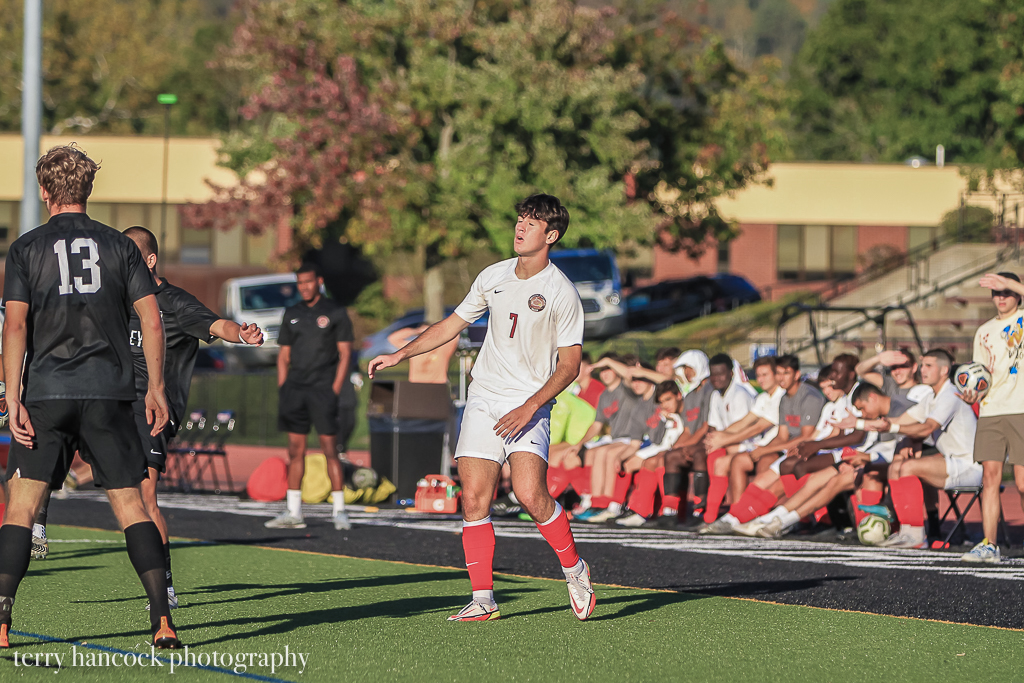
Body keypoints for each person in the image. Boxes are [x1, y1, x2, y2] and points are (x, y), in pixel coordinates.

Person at [368, 194, 594, 622]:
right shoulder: (493, 275)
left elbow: (570, 366)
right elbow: (452, 325)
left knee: (530, 495)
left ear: (552, 235)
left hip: (530, 404)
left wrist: (530, 407)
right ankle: (483, 597)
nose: (521, 226)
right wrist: (400, 355)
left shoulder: (561, 292)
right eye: (521, 218)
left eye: (532, 222)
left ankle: (575, 569)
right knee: (474, 499)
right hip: (484, 399)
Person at [0, 145, 180, 649]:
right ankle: (162, 620)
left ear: (43, 191)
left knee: (21, 508)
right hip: (108, 392)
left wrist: (12, 396)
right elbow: (151, 317)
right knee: (131, 507)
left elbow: (14, 324)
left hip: (47, 393)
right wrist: (158, 387)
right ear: (89, 190)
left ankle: (2, 623)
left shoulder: (25, 248)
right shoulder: (120, 247)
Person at [43, 227, 262, 607]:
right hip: (111, 403)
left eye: (128, 255)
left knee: (145, 498)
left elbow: (215, 324)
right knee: (58, 431)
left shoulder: (172, 302)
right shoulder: (112, 300)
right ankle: (37, 518)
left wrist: (240, 334)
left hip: (152, 410)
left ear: (149, 260)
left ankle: (166, 589)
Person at [852, 349, 978, 548]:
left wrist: (892, 427)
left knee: (907, 467)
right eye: (922, 365)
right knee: (897, 466)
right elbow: (901, 420)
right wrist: (858, 423)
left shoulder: (951, 395)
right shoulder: (931, 398)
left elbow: (926, 427)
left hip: (969, 466)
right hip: (951, 462)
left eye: (929, 366)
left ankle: (916, 536)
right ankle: (908, 531)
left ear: (944, 370)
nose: (923, 370)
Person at [266, 264, 355, 531]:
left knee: (330, 450)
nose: (304, 287)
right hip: (295, 391)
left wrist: (334, 389)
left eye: (308, 282)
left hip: (322, 391)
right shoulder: (292, 313)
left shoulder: (335, 312)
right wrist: (284, 388)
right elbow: (283, 356)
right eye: (299, 283)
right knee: (295, 452)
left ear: (319, 281)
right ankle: (294, 512)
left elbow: (345, 354)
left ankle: (339, 511)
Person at [958, 272, 1024, 563]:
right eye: (996, 293)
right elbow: (979, 373)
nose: (1001, 297)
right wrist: (973, 395)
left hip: (1021, 408)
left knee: (1023, 483)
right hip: (991, 410)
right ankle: (989, 544)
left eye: (1006, 292)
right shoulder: (983, 330)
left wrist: (1010, 282)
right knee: (990, 478)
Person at [387, 324, 459, 384]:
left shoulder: (442, 348)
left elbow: (456, 334)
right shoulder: (414, 348)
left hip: (437, 386)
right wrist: (415, 331)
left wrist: (436, 330)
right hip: (416, 386)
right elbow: (393, 338)